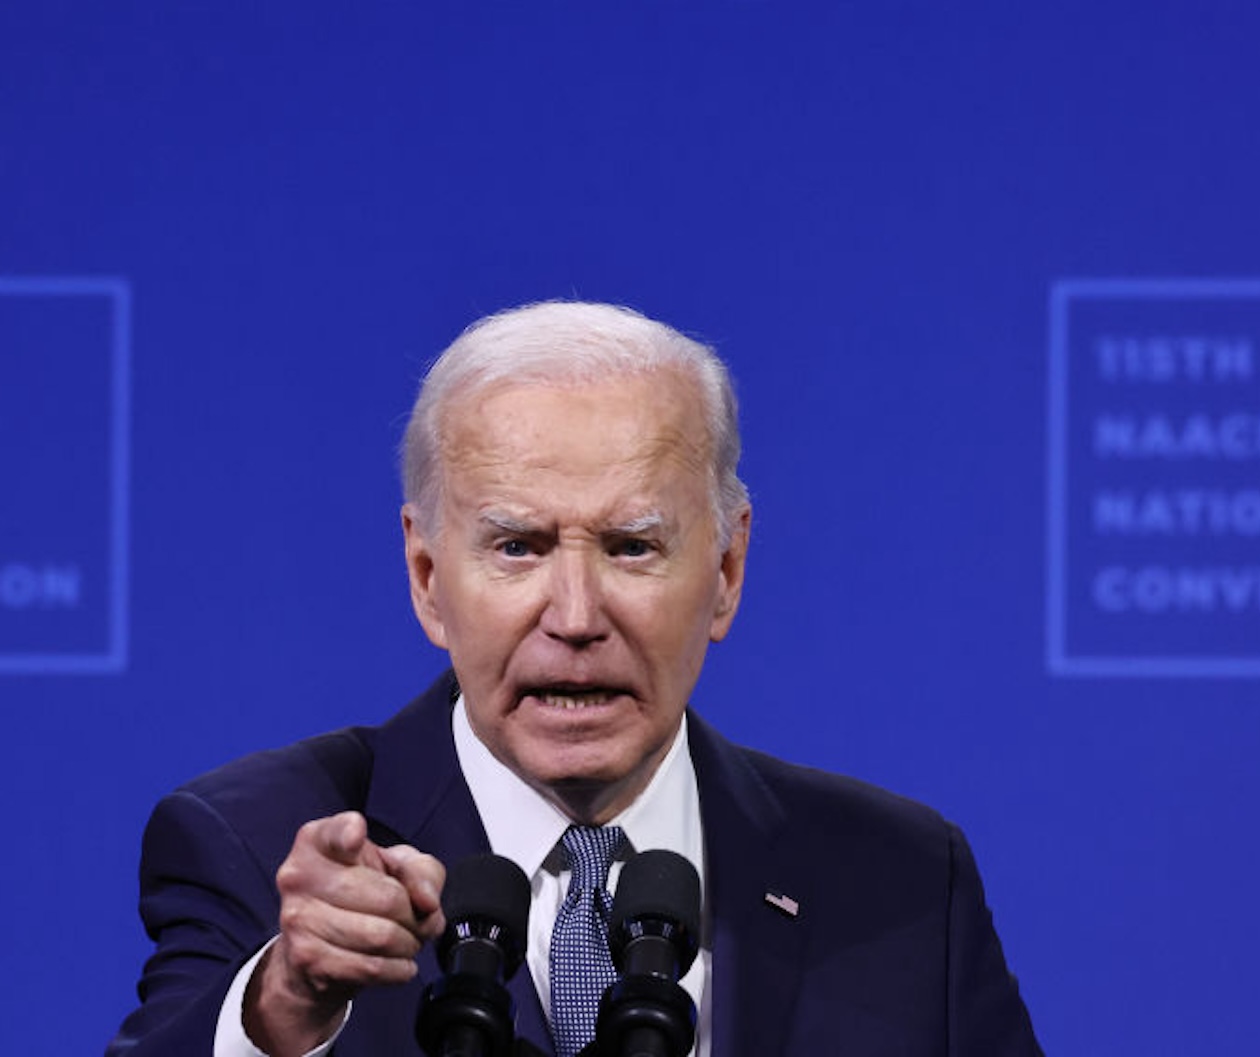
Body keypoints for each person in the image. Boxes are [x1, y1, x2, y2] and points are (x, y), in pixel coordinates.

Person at [106, 301, 1041, 1057]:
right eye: (518, 547)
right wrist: (278, 1011)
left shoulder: (904, 880)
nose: (577, 614)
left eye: (633, 547)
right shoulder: (256, 843)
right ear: (429, 579)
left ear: (726, 571)